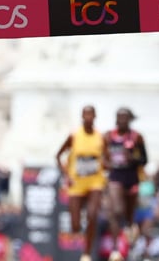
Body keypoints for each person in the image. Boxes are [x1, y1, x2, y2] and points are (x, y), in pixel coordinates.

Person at [55, 105, 107, 261]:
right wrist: (66, 175)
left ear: (95, 117)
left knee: (92, 215)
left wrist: (107, 166)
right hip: (76, 183)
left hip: (95, 182)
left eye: (91, 115)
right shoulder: (74, 136)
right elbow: (58, 156)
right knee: (75, 224)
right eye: (85, 115)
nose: (88, 118)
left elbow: (109, 158)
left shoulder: (100, 137)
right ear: (82, 117)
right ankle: (79, 236)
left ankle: (87, 253)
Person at [104, 107, 148, 261]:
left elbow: (144, 159)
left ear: (130, 119)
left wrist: (132, 158)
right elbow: (102, 155)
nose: (122, 120)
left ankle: (131, 237)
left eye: (125, 117)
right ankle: (116, 249)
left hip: (131, 177)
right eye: (119, 117)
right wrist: (107, 163)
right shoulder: (109, 136)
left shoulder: (137, 137)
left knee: (129, 216)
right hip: (116, 175)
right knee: (116, 210)